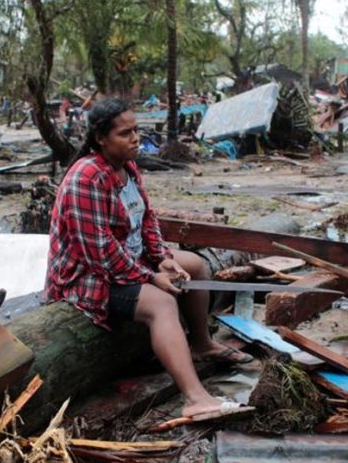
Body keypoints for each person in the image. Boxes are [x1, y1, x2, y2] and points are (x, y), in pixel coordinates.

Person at [45, 98, 253, 421]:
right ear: (101, 138)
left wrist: (163, 258)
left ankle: (201, 344)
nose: (135, 139)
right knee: (162, 303)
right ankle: (195, 398)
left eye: (136, 130)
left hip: (129, 260)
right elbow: (101, 254)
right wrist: (151, 276)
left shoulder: (127, 167)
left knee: (195, 266)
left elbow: (147, 220)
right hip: (87, 276)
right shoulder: (85, 179)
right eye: (124, 133)